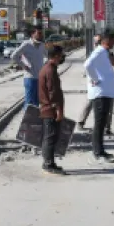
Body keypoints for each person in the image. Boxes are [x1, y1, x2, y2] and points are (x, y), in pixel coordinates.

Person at [84, 32, 114, 164]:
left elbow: (111, 66)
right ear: (107, 41)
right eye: (113, 41)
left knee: (102, 123)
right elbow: (87, 64)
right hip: (100, 94)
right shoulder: (99, 52)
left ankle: (101, 150)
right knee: (99, 124)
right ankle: (98, 152)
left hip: (105, 93)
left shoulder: (104, 52)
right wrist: (95, 79)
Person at [38, 44, 67, 174]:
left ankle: (50, 162)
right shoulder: (50, 70)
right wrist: (59, 110)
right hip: (50, 110)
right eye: (61, 55)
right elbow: (53, 93)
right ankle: (48, 164)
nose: (62, 58)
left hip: (47, 108)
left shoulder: (47, 68)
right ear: (55, 56)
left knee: (50, 137)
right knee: (50, 137)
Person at [11, 27, 46, 109]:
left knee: (37, 102)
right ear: (32, 34)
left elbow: (47, 56)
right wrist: (23, 65)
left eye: (41, 33)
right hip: (30, 77)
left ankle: (34, 121)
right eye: (39, 33)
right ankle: (26, 121)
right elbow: (14, 56)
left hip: (39, 78)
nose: (41, 35)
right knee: (29, 103)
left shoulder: (42, 45)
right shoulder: (26, 44)